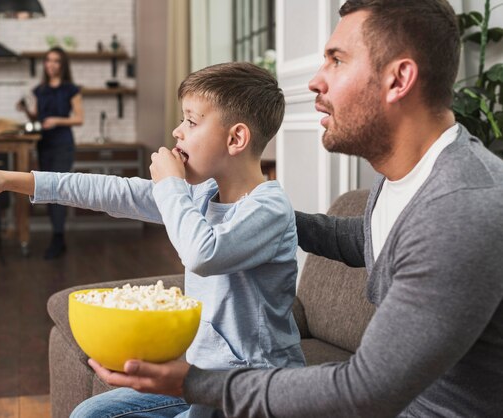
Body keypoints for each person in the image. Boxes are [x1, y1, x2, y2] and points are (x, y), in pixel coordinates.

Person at [85, 0, 503, 416]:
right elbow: (371, 237)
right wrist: (258, 216)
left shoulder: (460, 206)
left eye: (336, 61)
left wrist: (194, 383)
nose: (315, 82)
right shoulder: (411, 179)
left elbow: (364, 391)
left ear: (399, 80)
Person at [0, 62, 306, 417]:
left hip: (255, 391)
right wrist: (9, 180)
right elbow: (107, 191)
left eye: (191, 121)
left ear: (236, 138)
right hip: (199, 379)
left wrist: (171, 185)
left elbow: (202, 252)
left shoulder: (268, 208)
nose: (178, 132)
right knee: (91, 413)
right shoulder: (200, 195)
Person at [17, 46, 84, 259]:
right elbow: (38, 119)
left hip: (63, 144)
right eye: (48, 61)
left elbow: (79, 118)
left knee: (58, 190)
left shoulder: (71, 89)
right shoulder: (40, 90)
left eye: (56, 61)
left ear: (63, 65)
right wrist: (26, 111)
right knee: (46, 190)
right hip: (44, 145)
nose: (51, 64)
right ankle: (57, 237)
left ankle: (58, 237)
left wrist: (57, 120)